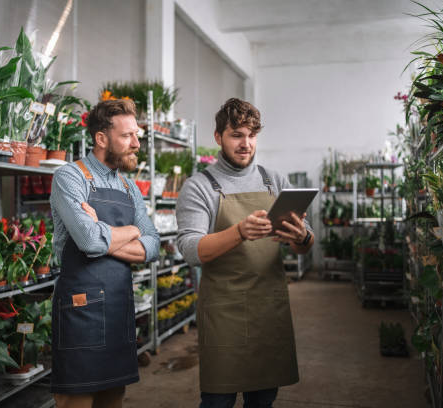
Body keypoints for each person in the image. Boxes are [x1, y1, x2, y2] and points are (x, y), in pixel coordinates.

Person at [176, 98, 314, 408]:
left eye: (251, 135)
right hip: (225, 311)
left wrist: (302, 237)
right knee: (218, 400)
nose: (245, 143)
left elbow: (304, 244)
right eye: (236, 134)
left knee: (264, 399)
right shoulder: (200, 186)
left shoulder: (274, 181)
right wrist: (239, 232)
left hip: (269, 308)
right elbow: (190, 249)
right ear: (218, 138)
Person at [49, 99, 160, 408]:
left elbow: (153, 245)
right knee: (77, 398)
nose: (136, 143)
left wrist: (106, 230)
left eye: (137, 135)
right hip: (80, 309)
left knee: (114, 397)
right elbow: (89, 242)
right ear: (101, 138)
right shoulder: (70, 177)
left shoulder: (129, 187)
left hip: (118, 307)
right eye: (127, 136)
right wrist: (132, 231)